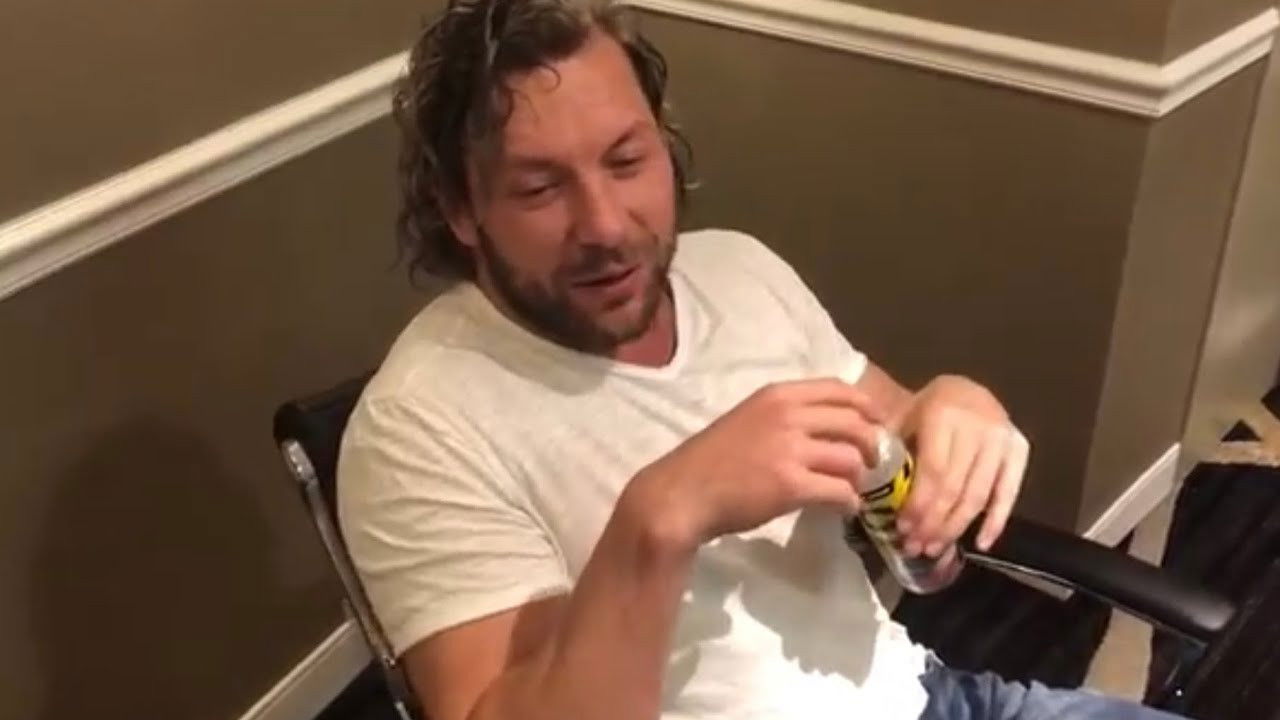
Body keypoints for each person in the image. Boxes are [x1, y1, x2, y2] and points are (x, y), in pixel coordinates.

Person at [337, 2, 1185, 718]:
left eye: (628, 161)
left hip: (925, 697)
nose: (605, 224)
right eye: (539, 188)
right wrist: (662, 515)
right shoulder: (419, 424)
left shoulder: (738, 271)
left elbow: (891, 431)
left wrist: (953, 406)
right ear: (460, 208)